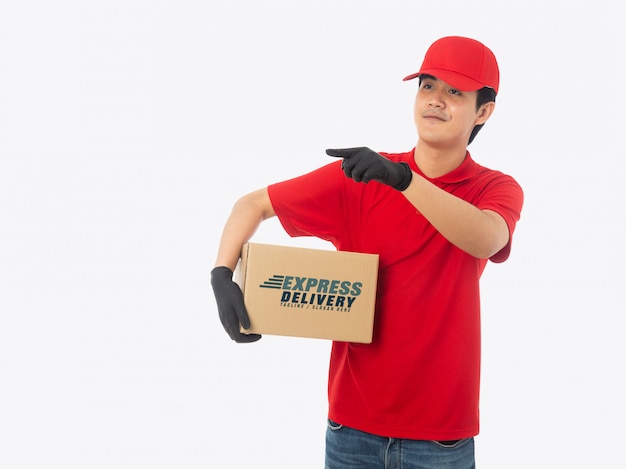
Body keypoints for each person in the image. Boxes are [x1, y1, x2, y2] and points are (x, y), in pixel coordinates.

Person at [211, 36, 524, 468]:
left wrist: (404, 181)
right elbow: (253, 204)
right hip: (350, 431)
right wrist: (221, 276)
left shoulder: (493, 188)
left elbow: (488, 239)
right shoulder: (363, 177)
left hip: (440, 439)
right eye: (427, 86)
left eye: (455, 92)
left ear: (484, 111)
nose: (435, 100)